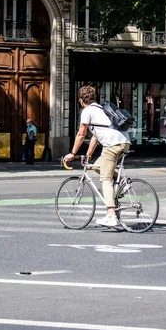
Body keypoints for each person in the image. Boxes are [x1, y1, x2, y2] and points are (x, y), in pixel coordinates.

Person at [64, 85, 131, 227]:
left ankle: (111, 215)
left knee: (105, 179)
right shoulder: (101, 109)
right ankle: (123, 184)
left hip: (112, 145)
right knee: (97, 166)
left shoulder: (87, 111)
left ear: (81, 100)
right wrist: (88, 155)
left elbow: (81, 134)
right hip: (124, 142)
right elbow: (95, 137)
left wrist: (72, 153)